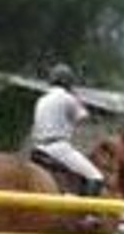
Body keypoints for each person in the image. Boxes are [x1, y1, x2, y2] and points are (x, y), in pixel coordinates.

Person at [30, 63, 104, 196]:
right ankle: (86, 215)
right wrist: (79, 100)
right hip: (58, 148)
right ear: (68, 82)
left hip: (37, 149)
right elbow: (84, 119)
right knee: (96, 177)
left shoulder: (41, 99)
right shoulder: (68, 98)